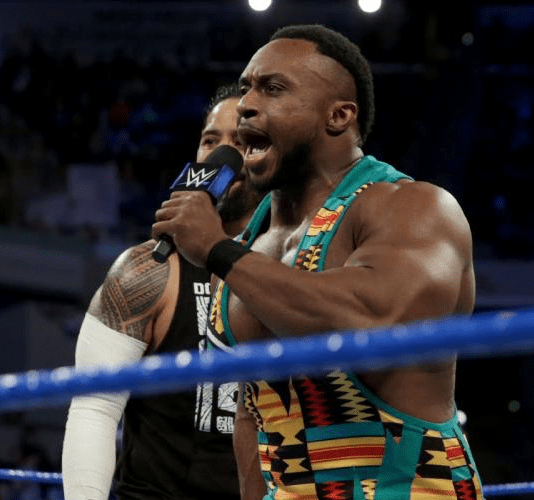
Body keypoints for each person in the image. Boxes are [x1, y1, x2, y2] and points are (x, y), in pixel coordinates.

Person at [152, 25, 483, 500]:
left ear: (339, 116)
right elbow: (252, 413)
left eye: (273, 88)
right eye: (246, 87)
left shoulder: (414, 209)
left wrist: (218, 251)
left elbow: (366, 322)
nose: (246, 104)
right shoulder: (248, 244)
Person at [62, 84, 266, 500]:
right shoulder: (150, 268)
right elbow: (94, 409)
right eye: (210, 141)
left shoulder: (299, 266)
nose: (222, 154)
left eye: (239, 141)